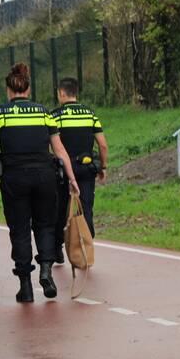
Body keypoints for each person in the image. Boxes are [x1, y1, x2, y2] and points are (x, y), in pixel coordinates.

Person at [0, 63, 79, 303]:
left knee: (20, 229)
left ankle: (25, 286)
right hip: (45, 176)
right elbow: (59, 149)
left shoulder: (0, 113)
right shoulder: (44, 112)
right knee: (45, 225)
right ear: (28, 89)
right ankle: (46, 270)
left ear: (9, 89)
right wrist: (71, 178)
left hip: (14, 178)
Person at [50, 77, 108, 264]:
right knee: (86, 208)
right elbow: (103, 145)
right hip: (86, 168)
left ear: (61, 93)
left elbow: (52, 145)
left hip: (64, 171)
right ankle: (86, 248)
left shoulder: (56, 115)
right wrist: (103, 166)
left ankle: (58, 248)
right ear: (76, 92)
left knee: (60, 208)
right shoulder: (90, 114)